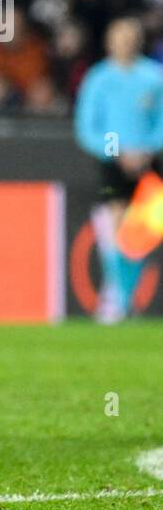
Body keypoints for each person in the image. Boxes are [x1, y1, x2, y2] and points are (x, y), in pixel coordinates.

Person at [73, 16, 163, 323]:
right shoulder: (98, 79)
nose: (125, 42)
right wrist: (117, 151)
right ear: (109, 41)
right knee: (115, 223)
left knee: (143, 231)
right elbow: (88, 127)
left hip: (150, 163)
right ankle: (121, 297)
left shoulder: (153, 76)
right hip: (113, 163)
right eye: (119, 36)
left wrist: (147, 148)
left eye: (130, 36)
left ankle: (122, 296)